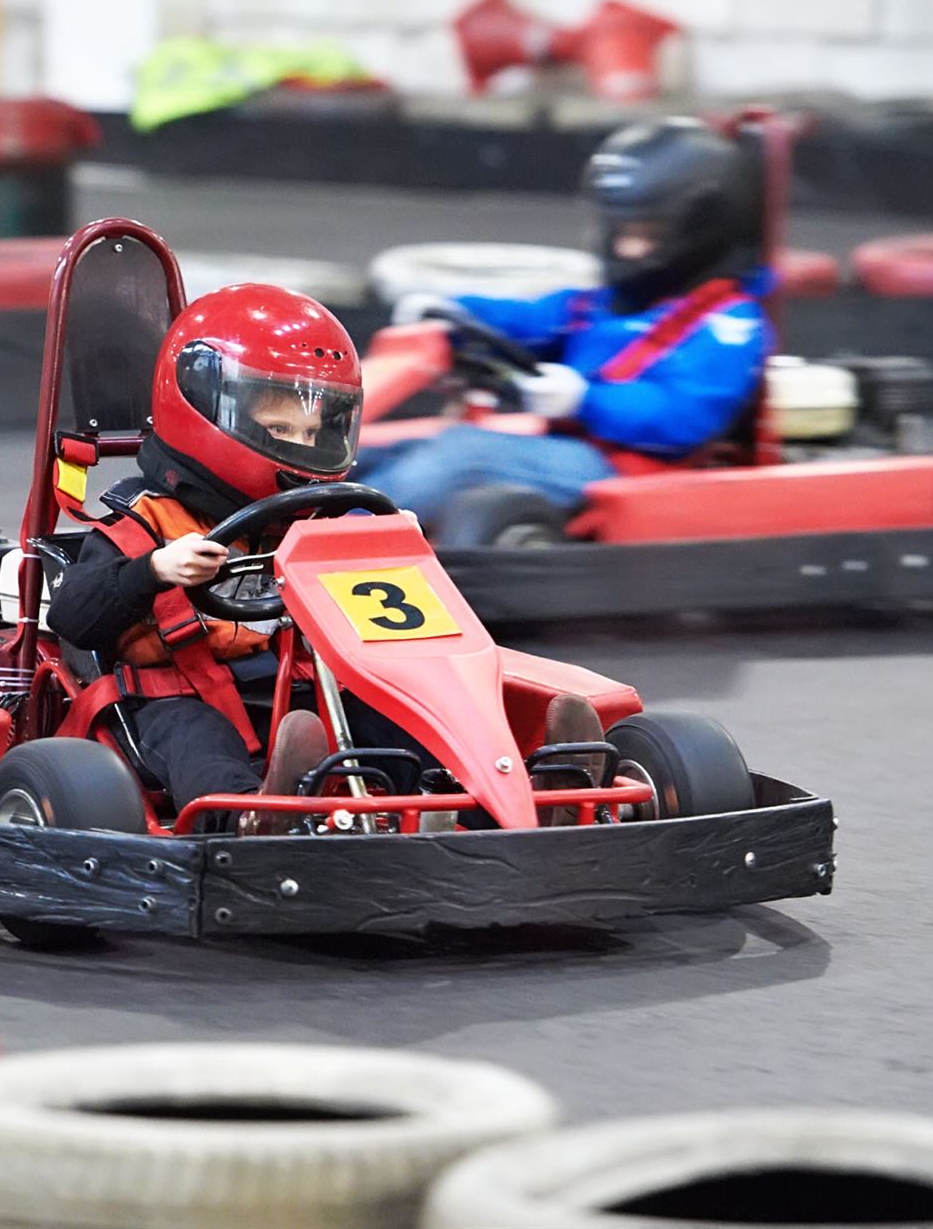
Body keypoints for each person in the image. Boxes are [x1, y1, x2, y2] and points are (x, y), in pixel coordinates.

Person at [45, 283, 375, 829]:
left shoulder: (311, 521)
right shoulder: (143, 523)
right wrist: (152, 571)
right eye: (280, 429)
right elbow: (72, 617)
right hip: (169, 699)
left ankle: (466, 792)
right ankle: (245, 822)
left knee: (373, 709)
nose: (301, 444)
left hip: (282, 685)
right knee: (201, 742)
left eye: (313, 432)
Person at [358, 116, 773, 522]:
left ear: (702, 231)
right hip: (573, 447)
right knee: (388, 450)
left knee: (463, 455)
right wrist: (453, 310)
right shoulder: (608, 302)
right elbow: (534, 318)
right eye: (619, 230)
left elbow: (683, 415)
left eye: (645, 234)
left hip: (635, 469)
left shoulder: (729, 324)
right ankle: (309, 514)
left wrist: (585, 400)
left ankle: (347, 537)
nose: (625, 248)